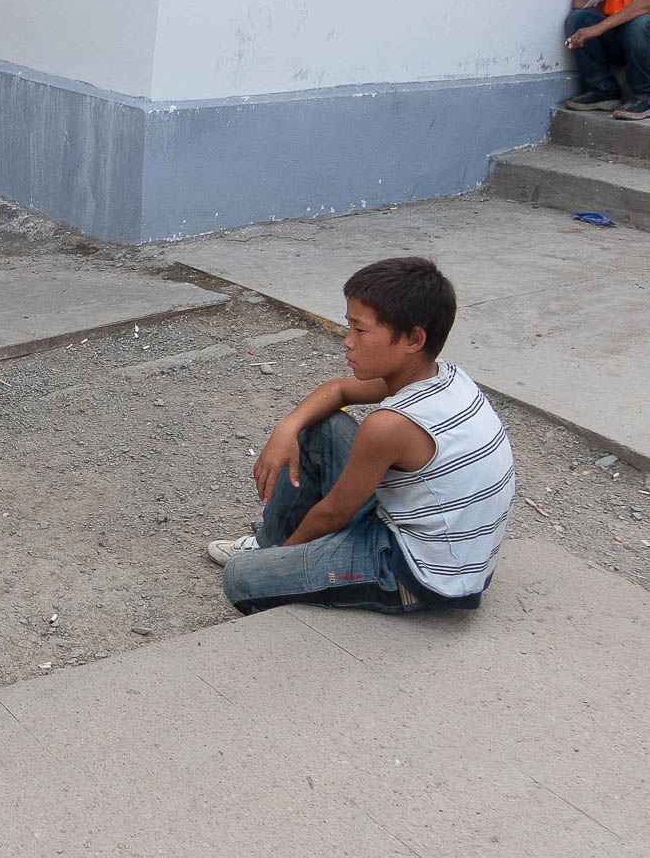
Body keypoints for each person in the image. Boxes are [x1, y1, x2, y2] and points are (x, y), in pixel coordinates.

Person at [209, 257, 514, 615]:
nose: (347, 341)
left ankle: (274, 557)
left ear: (414, 339)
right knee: (321, 424)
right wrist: (286, 428)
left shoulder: (391, 425)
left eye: (360, 330)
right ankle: (269, 544)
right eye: (348, 326)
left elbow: (334, 513)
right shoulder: (444, 375)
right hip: (432, 538)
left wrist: (284, 561)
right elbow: (338, 391)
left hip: (420, 575)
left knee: (242, 577)